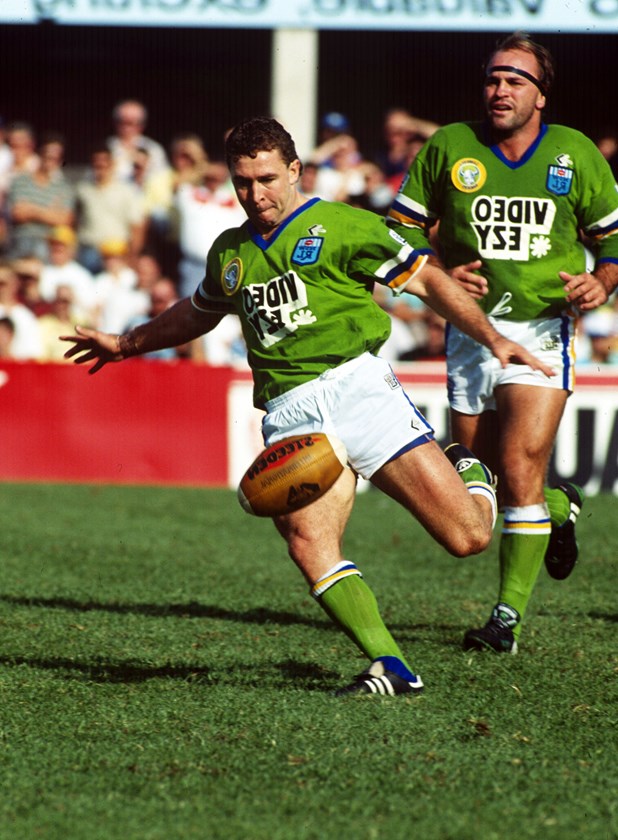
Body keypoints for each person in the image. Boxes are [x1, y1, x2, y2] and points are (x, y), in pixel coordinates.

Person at [62, 117, 553, 697]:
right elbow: (197, 313)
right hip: (289, 413)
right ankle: (392, 666)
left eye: (267, 179)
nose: (255, 194)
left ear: (295, 170)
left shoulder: (347, 225)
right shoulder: (230, 251)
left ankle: (472, 472)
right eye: (243, 182)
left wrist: (493, 338)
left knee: (468, 538)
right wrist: (126, 344)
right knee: (308, 542)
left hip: (359, 391)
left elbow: (429, 282)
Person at [387, 32, 618, 654]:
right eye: (493, 78)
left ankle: (505, 622)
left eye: (516, 80)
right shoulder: (449, 147)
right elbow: (399, 230)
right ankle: (558, 509)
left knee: (517, 467)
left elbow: (613, 238)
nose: (500, 89)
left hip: (542, 329)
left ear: (542, 95)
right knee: (484, 479)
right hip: (470, 333)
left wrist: (601, 281)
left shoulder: (574, 153)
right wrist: (440, 271)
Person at [75, 145, 146, 275]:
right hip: (89, 251)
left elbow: (137, 227)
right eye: (97, 166)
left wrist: (132, 257)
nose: (101, 170)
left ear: (112, 165)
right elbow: (75, 221)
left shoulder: (127, 191)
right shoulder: (83, 190)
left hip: (117, 253)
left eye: (104, 165)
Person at [6, 133, 75, 261]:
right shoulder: (20, 181)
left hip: (49, 242)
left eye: (56, 158)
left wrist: (32, 210)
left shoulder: (64, 188)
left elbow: (64, 220)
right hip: (22, 238)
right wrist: (50, 213)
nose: (51, 161)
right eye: (48, 156)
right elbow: (18, 213)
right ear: (39, 155)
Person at [107, 99, 168, 184]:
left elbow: (161, 179)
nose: (126, 128)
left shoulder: (153, 149)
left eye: (131, 123)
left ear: (142, 124)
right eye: (122, 122)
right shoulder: (107, 147)